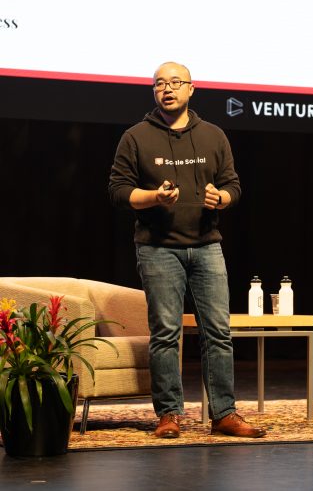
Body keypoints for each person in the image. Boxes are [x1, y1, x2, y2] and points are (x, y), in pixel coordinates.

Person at [108, 61, 266, 439]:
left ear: (191, 89)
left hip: (207, 246)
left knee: (218, 332)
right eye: (159, 84)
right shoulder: (135, 137)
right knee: (166, 333)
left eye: (175, 82)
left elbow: (233, 185)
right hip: (158, 248)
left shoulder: (213, 135)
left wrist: (221, 198)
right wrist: (154, 197)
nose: (167, 89)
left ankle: (223, 414)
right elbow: (118, 191)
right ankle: (169, 415)